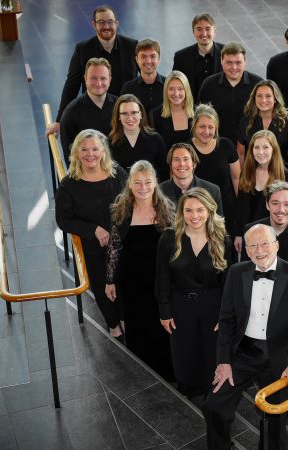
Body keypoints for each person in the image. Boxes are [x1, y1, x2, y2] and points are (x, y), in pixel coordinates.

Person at [203, 224, 288, 450]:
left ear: (276, 245)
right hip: (244, 352)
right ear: (246, 250)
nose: (259, 250)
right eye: (253, 245)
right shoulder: (236, 272)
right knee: (214, 405)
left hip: (281, 356)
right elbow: (226, 320)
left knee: (275, 417)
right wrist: (224, 361)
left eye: (265, 243)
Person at [155, 188, 233, 397]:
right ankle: (187, 392)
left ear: (209, 211)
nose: (194, 215)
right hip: (180, 304)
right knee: (184, 352)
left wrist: (225, 315)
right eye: (188, 210)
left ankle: (212, 392)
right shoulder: (169, 238)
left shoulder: (222, 239)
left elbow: (228, 283)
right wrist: (165, 311)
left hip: (212, 304)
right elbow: (162, 278)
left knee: (211, 351)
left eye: (200, 210)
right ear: (181, 212)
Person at [105, 161, 176, 380]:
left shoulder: (168, 210)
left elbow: (176, 247)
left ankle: (168, 374)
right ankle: (143, 376)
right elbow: (114, 247)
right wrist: (110, 280)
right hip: (132, 283)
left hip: (161, 281)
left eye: (147, 182)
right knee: (137, 327)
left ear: (155, 183)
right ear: (129, 184)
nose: (143, 187)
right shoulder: (122, 211)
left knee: (163, 328)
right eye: (137, 182)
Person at [55, 129, 127, 339]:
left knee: (124, 282)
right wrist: (92, 229)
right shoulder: (69, 185)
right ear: (76, 153)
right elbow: (63, 220)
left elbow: (130, 203)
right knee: (102, 286)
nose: (90, 154)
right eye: (84, 149)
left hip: (123, 240)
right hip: (95, 247)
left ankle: (125, 319)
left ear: (103, 151)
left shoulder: (118, 174)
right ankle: (113, 325)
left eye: (95, 149)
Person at [48, 5, 138, 137]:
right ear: (94, 25)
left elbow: (144, 80)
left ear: (116, 24)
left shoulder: (132, 46)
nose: (106, 26)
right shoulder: (82, 50)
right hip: (94, 115)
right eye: (101, 22)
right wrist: (59, 121)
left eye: (110, 22)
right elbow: (71, 85)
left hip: (126, 116)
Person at [234, 130, 288, 253]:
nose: (260, 152)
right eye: (256, 147)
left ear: (273, 149)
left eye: (265, 147)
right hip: (249, 238)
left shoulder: (286, 176)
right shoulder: (246, 173)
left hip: (274, 239)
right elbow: (239, 207)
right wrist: (238, 234)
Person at [187, 104, 240, 233]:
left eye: (210, 127)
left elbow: (237, 178)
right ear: (194, 126)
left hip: (226, 211)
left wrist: (240, 212)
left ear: (216, 128)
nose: (206, 132)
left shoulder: (226, 145)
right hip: (195, 215)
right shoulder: (186, 149)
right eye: (202, 127)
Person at [198, 42, 263, 144]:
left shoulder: (258, 84)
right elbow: (200, 115)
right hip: (217, 144)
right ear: (221, 61)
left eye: (238, 62)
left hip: (251, 144)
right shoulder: (209, 84)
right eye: (229, 62)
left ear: (245, 61)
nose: (234, 67)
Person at [59, 58, 118, 163]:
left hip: (118, 169)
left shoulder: (119, 106)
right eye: (93, 78)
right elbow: (71, 158)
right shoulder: (71, 114)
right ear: (85, 78)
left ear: (110, 79)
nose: (98, 83)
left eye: (103, 78)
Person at [241, 181, 288, 261]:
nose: (281, 210)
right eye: (275, 203)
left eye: (287, 204)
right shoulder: (251, 230)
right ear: (267, 205)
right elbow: (245, 266)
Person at [236, 80, 288, 164]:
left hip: (280, 171)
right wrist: (242, 172)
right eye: (259, 96)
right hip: (252, 171)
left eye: (268, 96)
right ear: (254, 98)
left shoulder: (287, 123)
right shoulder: (245, 122)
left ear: (275, 99)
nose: (263, 100)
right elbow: (240, 153)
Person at [108, 94, 167, 179]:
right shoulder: (110, 142)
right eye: (124, 113)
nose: (130, 118)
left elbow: (164, 171)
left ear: (141, 114)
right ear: (119, 117)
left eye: (134, 113)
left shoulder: (155, 139)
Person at [158, 143, 224, 216]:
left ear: (194, 163)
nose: (182, 164)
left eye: (186, 159)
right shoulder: (158, 192)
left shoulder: (212, 191)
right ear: (170, 164)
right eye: (176, 159)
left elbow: (218, 222)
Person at [172, 13, 224, 96]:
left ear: (214, 32)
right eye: (199, 29)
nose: (204, 33)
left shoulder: (227, 53)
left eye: (208, 29)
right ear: (193, 32)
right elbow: (175, 84)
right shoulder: (181, 57)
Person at [149, 71, 194, 150]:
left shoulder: (198, 113)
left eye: (180, 89)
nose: (176, 93)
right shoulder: (155, 115)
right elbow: (155, 147)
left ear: (186, 90)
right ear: (166, 91)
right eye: (171, 89)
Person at [121, 39, 166, 112]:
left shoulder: (169, 85)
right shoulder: (127, 88)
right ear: (137, 59)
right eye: (143, 56)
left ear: (159, 59)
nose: (148, 61)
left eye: (152, 56)